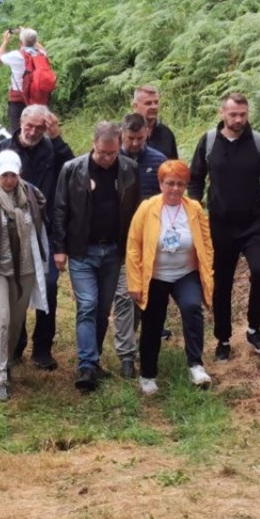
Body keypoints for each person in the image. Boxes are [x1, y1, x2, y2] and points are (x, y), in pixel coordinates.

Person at [188, 93, 260, 357]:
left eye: (243, 114)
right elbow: (195, 179)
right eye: (233, 114)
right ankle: (223, 339)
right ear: (223, 113)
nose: (239, 119)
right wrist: (195, 209)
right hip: (220, 226)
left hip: (253, 225)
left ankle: (255, 329)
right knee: (222, 284)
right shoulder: (209, 142)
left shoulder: (258, 143)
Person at [52, 122, 142, 392]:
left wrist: (133, 249)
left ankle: (95, 359)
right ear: (93, 144)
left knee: (103, 309)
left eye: (112, 153)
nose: (107, 158)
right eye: (103, 153)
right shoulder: (72, 170)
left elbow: (135, 212)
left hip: (114, 250)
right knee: (88, 305)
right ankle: (87, 365)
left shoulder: (129, 169)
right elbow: (60, 210)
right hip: (83, 250)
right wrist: (60, 247)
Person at [0, 104, 74, 370]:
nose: (34, 131)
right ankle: (16, 345)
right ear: (21, 122)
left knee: (48, 287)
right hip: (10, 232)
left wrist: (57, 137)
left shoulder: (52, 149)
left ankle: (42, 348)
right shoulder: (4, 148)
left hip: (44, 231)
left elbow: (71, 170)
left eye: (41, 127)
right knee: (16, 288)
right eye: (30, 126)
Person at [125, 160, 215, 395]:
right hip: (155, 275)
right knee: (153, 322)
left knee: (192, 307)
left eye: (180, 184)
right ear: (161, 183)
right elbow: (134, 246)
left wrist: (207, 272)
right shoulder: (147, 208)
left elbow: (206, 243)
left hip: (186, 273)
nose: (175, 189)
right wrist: (134, 282)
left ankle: (196, 365)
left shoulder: (194, 208)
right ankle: (147, 374)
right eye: (170, 184)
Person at [0, 149, 52, 403]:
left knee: (16, 323)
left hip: (26, 269)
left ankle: (6, 363)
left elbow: (40, 231)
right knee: (0, 320)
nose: (8, 180)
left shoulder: (31, 196)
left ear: (19, 175)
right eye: (4, 175)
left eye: (12, 176)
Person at [112, 114, 167, 377]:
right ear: (122, 134)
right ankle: (126, 355)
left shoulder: (158, 161)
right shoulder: (111, 158)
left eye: (139, 138)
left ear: (147, 133)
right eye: (130, 138)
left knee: (146, 296)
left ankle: (143, 343)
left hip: (153, 240)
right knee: (125, 295)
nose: (134, 143)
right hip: (121, 240)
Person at [0, 27, 45, 135]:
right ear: (35, 41)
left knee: (16, 129)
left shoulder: (16, 55)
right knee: (36, 127)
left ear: (20, 43)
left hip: (18, 97)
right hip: (37, 96)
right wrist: (29, 36)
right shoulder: (41, 54)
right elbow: (43, 49)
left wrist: (5, 41)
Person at [132, 85, 179, 159]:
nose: (154, 107)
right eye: (148, 103)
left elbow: (174, 167)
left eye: (156, 102)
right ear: (135, 106)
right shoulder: (123, 134)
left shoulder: (166, 134)